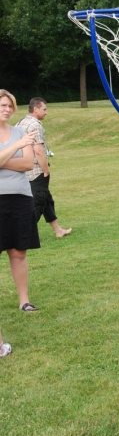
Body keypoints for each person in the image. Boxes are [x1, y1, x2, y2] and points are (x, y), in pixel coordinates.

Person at [0, 89, 40, 311]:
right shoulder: (20, 139)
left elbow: (27, 164)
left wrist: (2, 159)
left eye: (9, 106)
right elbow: (20, 157)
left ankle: (24, 300)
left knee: (18, 252)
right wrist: (15, 147)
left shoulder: (20, 132)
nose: (7, 109)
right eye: (2, 105)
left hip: (20, 197)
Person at [17, 98, 71, 238]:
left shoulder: (21, 123)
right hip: (36, 171)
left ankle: (58, 231)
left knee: (46, 199)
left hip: (23, 170)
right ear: (35, 109)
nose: (46, 112)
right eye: (44, 109)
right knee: (38, 201)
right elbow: (39, 151)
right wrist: (45, 169)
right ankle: (21, 234)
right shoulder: (36, 125)